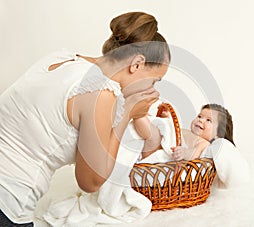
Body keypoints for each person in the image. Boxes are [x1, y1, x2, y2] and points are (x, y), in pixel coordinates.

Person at [0, 12, 170, 225]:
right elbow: (90, 182)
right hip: (7, 200)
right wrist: (126, 113)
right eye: (154, 81)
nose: (152, 90)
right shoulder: (99, 92)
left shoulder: (63, 59)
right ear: (136, 64)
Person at [134, 103, 250, 188]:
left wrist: (184, 153)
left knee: (150, 131)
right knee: (152, 124)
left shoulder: (203, 143)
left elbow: (194, 154)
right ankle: (140, 116)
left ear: (218, 134)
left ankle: (137, 114)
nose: (201, 120)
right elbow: (172, 134)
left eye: (208, 120)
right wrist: (166, 120)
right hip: (157, 149)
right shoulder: (187, 133)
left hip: (158, 158)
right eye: (199, 116)